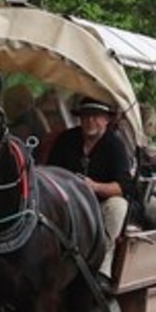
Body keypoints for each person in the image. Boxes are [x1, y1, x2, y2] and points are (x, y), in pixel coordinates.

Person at [47, 97, 138, 280]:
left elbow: (123, 186)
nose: (90, 121)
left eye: (96, 116)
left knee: (118, 206)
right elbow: (50, 171)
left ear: (106, 120)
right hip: (68, 202)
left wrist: (93, 186)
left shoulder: (115, 145)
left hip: (100, 203)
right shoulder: (66, 139)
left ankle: (103, 267)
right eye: (86, 116)